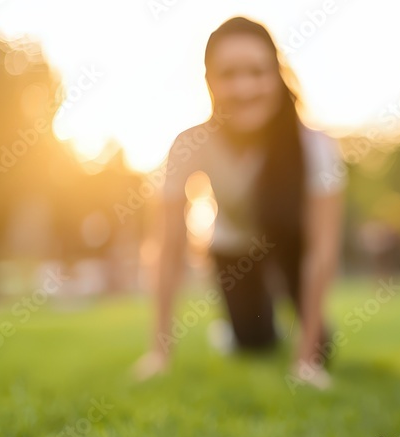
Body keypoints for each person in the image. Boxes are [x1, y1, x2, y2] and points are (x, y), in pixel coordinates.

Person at [135, 17, 344, 388]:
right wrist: (159, 353)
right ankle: (245, 328)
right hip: (233, 248)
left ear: (277, 76)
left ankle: (309, 340)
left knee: (325, 346)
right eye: (228, 74)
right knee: (253, 342)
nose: (244, 87)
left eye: (256, 72)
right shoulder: (188, 145)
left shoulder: (316, 146)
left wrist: (307, 361)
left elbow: (321, 250)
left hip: (291, 243)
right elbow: (168, 248)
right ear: (209, 82)